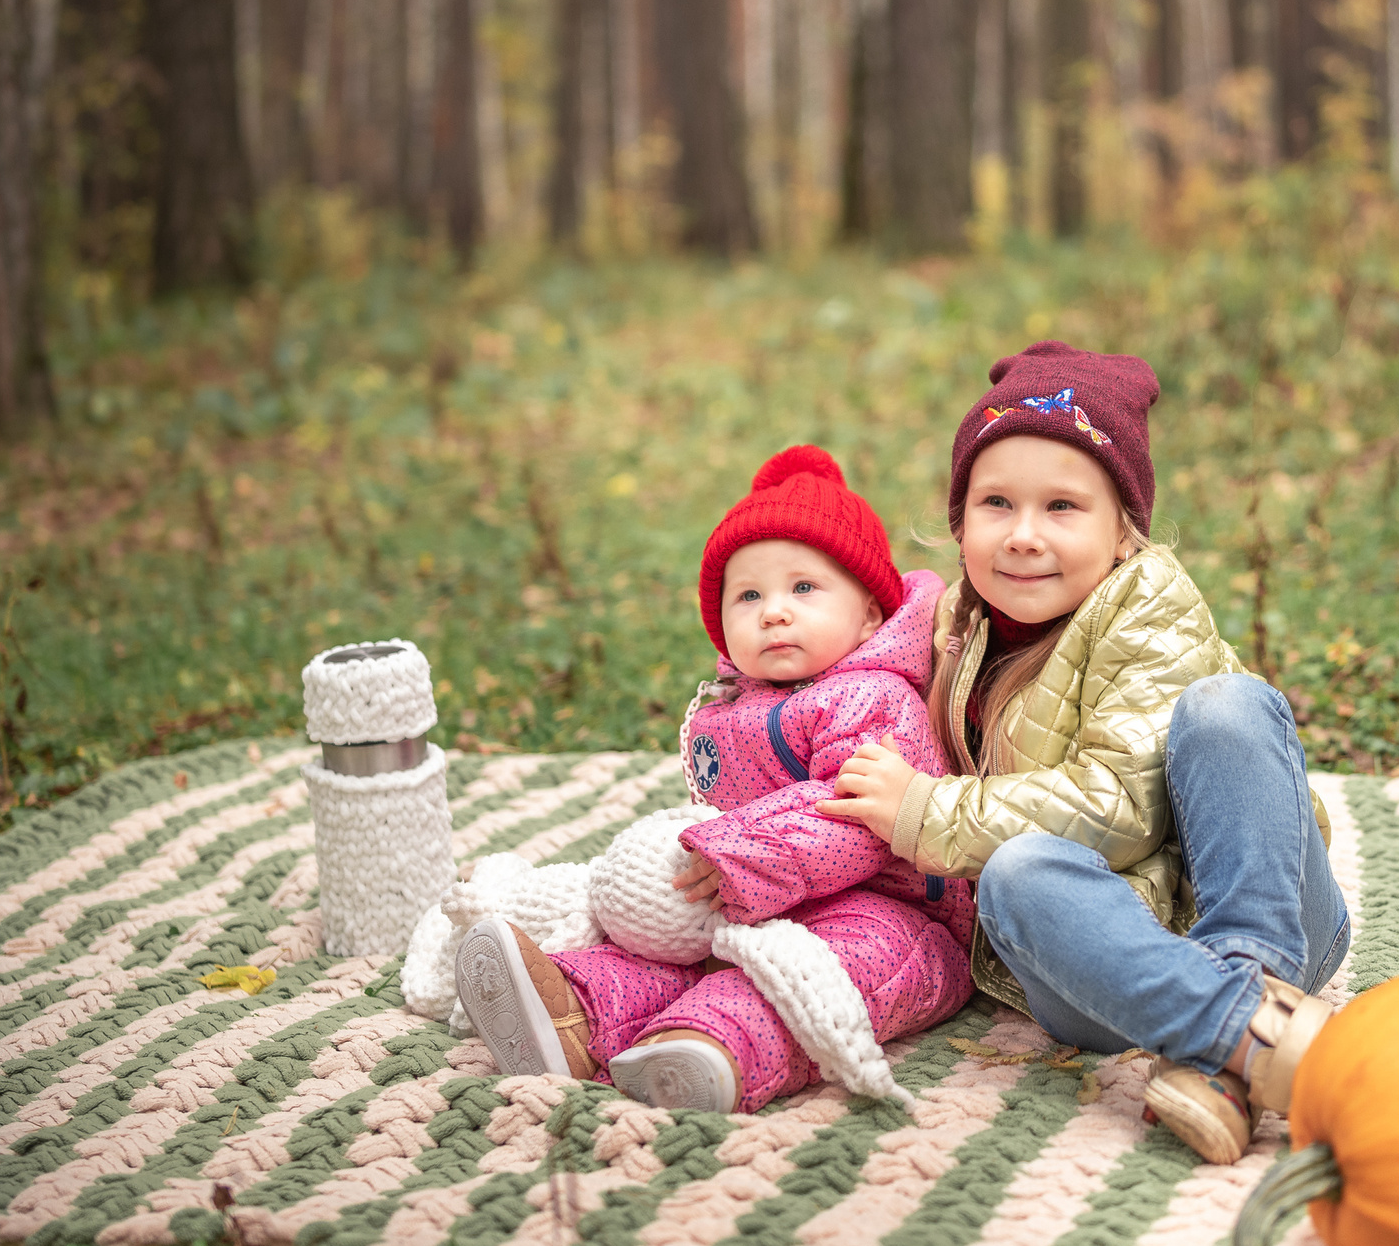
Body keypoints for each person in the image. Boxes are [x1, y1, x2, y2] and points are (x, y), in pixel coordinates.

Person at [819, 341, 1348, 1164]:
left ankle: (1246, 989)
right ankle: (1247, 1039)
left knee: (1229, 706)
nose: (1024, 535)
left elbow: (1123, 807)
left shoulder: (1149, 601)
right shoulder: (956, 620)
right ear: (960, 522)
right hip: (1110, 965)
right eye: (997, 502)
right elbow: (841, 674)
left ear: (1124, 529)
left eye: (1063, 507)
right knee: (1018, 874)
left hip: (1267, 904)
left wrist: (927, 811)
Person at [455, 445, 974, 1113]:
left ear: (871, 612)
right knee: (666, 946)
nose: (774, 610)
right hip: (755, 888)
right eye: (749, 594)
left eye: (804, 588)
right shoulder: (734, 706)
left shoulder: (870, 696)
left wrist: (739, 854)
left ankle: (711, 1047)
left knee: (799, 976)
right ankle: (574, 1008)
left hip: (894, 909)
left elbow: (857, 815)